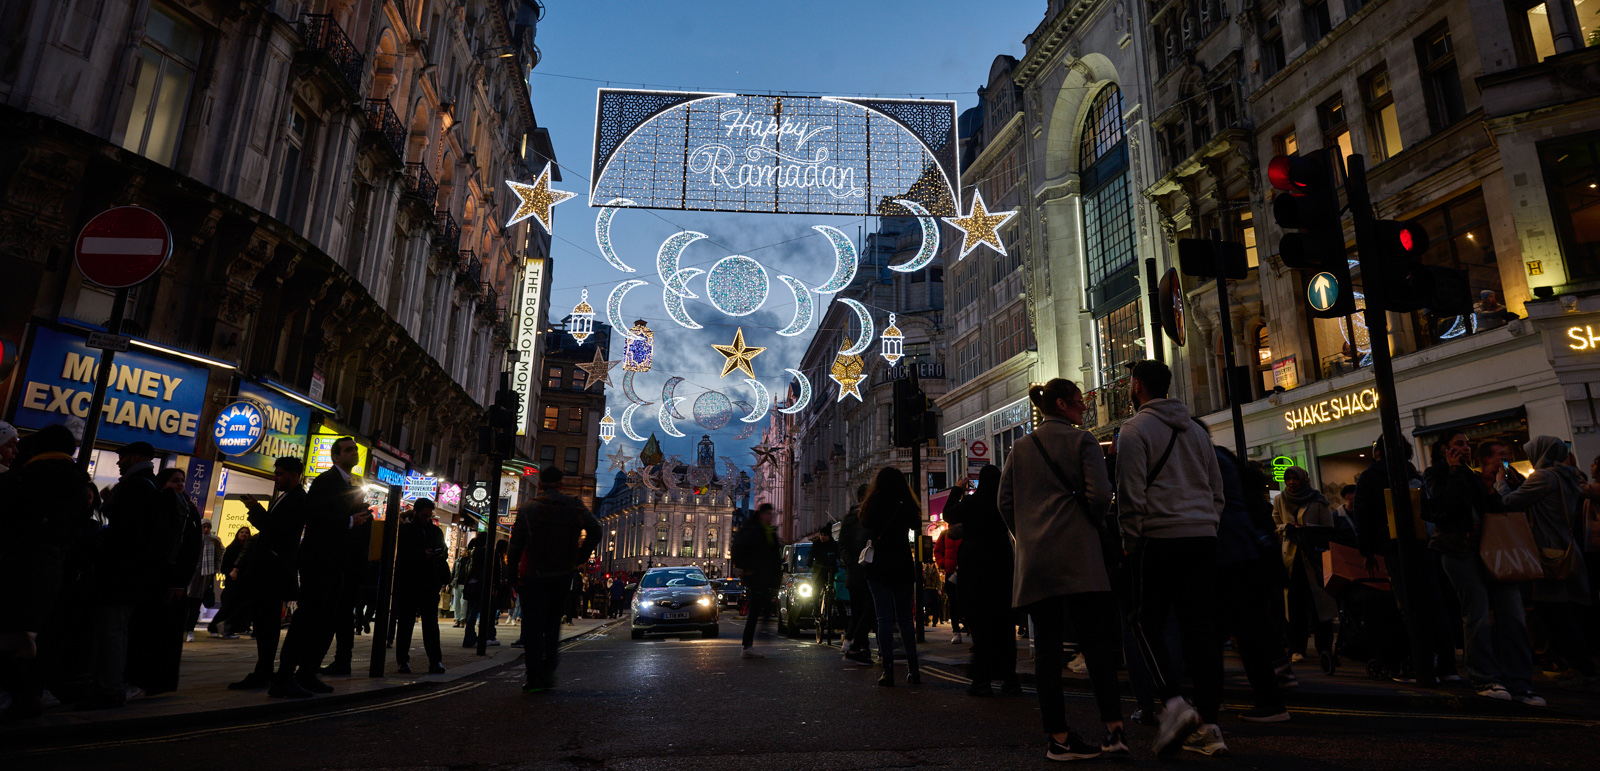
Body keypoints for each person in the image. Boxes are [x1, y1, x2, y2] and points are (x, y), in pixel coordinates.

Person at [999, 379, 1122, 759]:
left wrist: (1030, 534)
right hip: (1079, 555)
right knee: (1096, 645)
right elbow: (1100, 495)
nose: (1083, 409)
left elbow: (1004, 502)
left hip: (1037, 563)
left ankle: (1059, 738)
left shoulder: (1019, 447)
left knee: (1048, 652)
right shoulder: (1081, 441)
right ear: (1062, 404)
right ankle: (1114, 731)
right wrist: (1091, 524)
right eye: (1078, 403)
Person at [1115, 360, 1228, 757]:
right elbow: (1217, 489)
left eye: (1130, 382)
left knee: (1144, 622)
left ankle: (1175, 704)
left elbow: (1131, 496)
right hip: (1201, 538)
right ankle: (1211, 725)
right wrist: (1207, 523)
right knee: (1201, 628)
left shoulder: (1133, 430)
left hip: (1159, 538)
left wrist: (1131, 540)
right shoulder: (1197, 431)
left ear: (1138, 386)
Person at [1425, 434, 1540, 705]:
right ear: (1444, 450)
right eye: (1460, 444)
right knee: (1476, 615)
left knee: (1512, 615)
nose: (1466, 448)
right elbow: (1441, 507)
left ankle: (1520, 683)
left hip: (1493, 548)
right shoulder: (1437, 474)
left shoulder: (1472, 475)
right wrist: (1453, 472)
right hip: (1459, 551)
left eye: (1468, 444)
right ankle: (1485, 678)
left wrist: (1491, 489)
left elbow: (1495, 511)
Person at [0, 425, 91, 719]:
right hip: (53, 565)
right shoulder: (79, 483)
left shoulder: (24, 477)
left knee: (11, 627)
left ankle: (17, 694)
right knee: (36, 632)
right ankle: (30, 694)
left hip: (16, 560)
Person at [1354, 436, 1459, 683]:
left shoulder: (1370, 478)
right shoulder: (1415, 474)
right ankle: (1447, 665)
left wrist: (1367, 550)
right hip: (1425, 545)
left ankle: (1416, 664)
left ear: (1378, 453)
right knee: (1435, 602)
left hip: (1394, 548)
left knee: (1407, 606)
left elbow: (1363, 516)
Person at [275, 437, 372, 697]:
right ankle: (284, 676)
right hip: (318, 561)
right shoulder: (324, 482)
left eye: (355, 450)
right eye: (348, 450)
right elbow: (315, 516)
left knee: (326, 621)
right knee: (307, 618)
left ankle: (307, 672)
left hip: (340, 563)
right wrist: (350, 521)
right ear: (336, 457)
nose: (354, 453)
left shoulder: (354, 483)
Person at [1496, 436, 1595, 686]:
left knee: (1555, 613)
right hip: (1567, 550)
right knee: (1566, 612)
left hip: (1547, 553)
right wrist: (1521, 482)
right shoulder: (1568, 475)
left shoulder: (1544, 477)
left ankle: (1582, 668)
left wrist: (1501, 484)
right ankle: (1581, 665)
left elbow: (1509, 502)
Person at [1211, 434, 1291, 723]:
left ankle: (1267, 703)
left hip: (1229, 558)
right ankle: (1269, 697)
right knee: (1247, 631)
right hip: (1245, 557)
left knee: (1235, 633)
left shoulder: (1212, 461)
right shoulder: (1226, 462)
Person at [507, 467, 601, 693]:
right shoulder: (575, 506)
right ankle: (549, 671)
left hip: (533, 575)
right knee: (552, 625)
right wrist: (582, 555)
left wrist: (510, 574)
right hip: (562, 574)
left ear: (539, 484)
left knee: (532, 627)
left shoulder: (529, 508)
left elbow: (516, 544)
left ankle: (533, 677)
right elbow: (596, 529)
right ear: (560, 484)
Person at [229, 456, 309, 692]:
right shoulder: (286, 497)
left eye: (280, 474)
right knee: (264, 624)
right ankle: (263, 671)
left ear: (294, 475)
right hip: (268, 572)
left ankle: (265, 672)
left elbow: (276, 530)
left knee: (268, 624)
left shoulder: (298, 499)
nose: (276, 478)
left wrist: (254, 509)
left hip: (274, 573)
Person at [945, 464, 1020, 697]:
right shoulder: (1005, 502)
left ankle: (982, 681)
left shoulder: (972, 502)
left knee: (980, 627)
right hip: (1002, 566)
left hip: (975, 569)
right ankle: (1010, 679)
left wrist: (957, 490)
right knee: (1005, 626)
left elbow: (949, 514)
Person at [126, 466, 202, 696]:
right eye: (174, 481)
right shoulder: (164, 506)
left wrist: (181, 582)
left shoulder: (188, 511)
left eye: (181, 481)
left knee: (162, 635)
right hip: (156, 581)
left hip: (172, 584)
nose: (179, 485)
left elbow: (191, 549)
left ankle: (156, 682)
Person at [859, 467, 924, 687]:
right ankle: (913, 670)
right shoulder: (905, 502)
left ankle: (887, 671)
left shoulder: (874, 502)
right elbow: (916, 524)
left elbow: (865, 522)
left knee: (883, 618)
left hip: (878, 567)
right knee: (905, 619)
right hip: (902, 565)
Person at [1274, 467, 1338, 664]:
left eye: (1295, 478)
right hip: (1291, 560)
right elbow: (1274, 524)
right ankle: (1296, 648)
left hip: (1314, 560)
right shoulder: (1280, 500)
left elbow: (1329, 529)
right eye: (1288, 479)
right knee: (1294, 607)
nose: (1292, 482)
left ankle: (1324, 648)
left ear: (1304, 480)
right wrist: (1285, 528)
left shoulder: (1317, 500)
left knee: (1320, 606)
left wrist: (1309, 530)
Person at [388, 498, 448, 675]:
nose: (427, 518)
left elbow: (442, 551)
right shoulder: (405, 531)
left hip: (429, 583)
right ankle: (403, 661)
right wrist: (422, 554)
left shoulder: (435, 531)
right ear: (416, 512)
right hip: (409, 582)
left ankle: (435, 660)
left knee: (431, 624)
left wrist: (439, 555)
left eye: (430, 515)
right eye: (424, 514)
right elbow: (400, 555)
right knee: (406, 624)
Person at [732, 503, 782, 658]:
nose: (771, 517)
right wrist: (745, 567)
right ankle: (750, 644)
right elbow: (738, 548)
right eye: (768, 514)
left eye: (772, 514)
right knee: (758, 608)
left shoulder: (770, 532)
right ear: (761, 514)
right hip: (756, 576)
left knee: (759, 608)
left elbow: (774, 556)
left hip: (765, 576)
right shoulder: (753, 530)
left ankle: (750, 644)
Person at [837, 485, 875, 665]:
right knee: (866, 609)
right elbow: (843, 544)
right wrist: (851, 562)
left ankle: (858, 645)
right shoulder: (857, 517)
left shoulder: (853, 517)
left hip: (858, 570)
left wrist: (849, 562)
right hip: (861, 570)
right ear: (862, 497)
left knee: (861, 610)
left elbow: (842, 545)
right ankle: (856, 644)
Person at [209, 528, 251, 639]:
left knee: (238, 606)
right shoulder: (232, 549)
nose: (244, 535)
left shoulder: (248, 550)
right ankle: (214, 627)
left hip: (243, 582)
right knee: (229, 605)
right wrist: (232, 573)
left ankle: (229, 628)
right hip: (232, 582)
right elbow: (224, 567)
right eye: (242, 532)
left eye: (246, 533)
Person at [190, 518, 224, 642]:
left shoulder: (214, 540)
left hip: (205, 576)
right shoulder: (194, 538)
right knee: (189, 602)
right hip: (192, 574)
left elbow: (219, 556)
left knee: (196, 603)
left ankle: (190, 629)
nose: (205, 530)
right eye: (203, 527)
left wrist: (214, 571)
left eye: (208, 527)